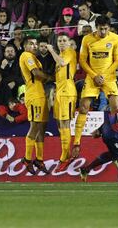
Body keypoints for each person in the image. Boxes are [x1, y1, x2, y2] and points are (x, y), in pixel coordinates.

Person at [73, 15, 118, 159]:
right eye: (101, 29)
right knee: (83, 107)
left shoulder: (115, 38)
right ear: (96, 27)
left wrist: (104, 75)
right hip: (92, 76)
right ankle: (76, 142)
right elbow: (82, 60)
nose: (103, 32)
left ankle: (114, 137)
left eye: (106, 29)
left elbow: (117, 59)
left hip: (109, 76)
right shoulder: (87, 39)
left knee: (116, 108)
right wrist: (94, 75)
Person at [19, 36, 52, 175]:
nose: (35, 46)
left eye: (36, 44)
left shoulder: (35, 58)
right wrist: (52, 77)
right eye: (31, 44)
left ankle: (39, 159)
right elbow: (36, 73)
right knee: (35, 127)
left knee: (41, 128)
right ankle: (27, 159)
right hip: (34, 96)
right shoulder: (26, 56)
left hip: (41, 94)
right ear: (25, 46)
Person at [46, 33, 77, 171]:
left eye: (64, 40)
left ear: (69, 43)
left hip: (67, 92)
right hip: (59, 92)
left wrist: (51, 50)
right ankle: (66, 151)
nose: (62, 43)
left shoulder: (70, 52)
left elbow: (63, 63)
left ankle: (65, 156)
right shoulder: (61, 55)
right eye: (59, 41)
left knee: (65, 122)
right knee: (59, 122)